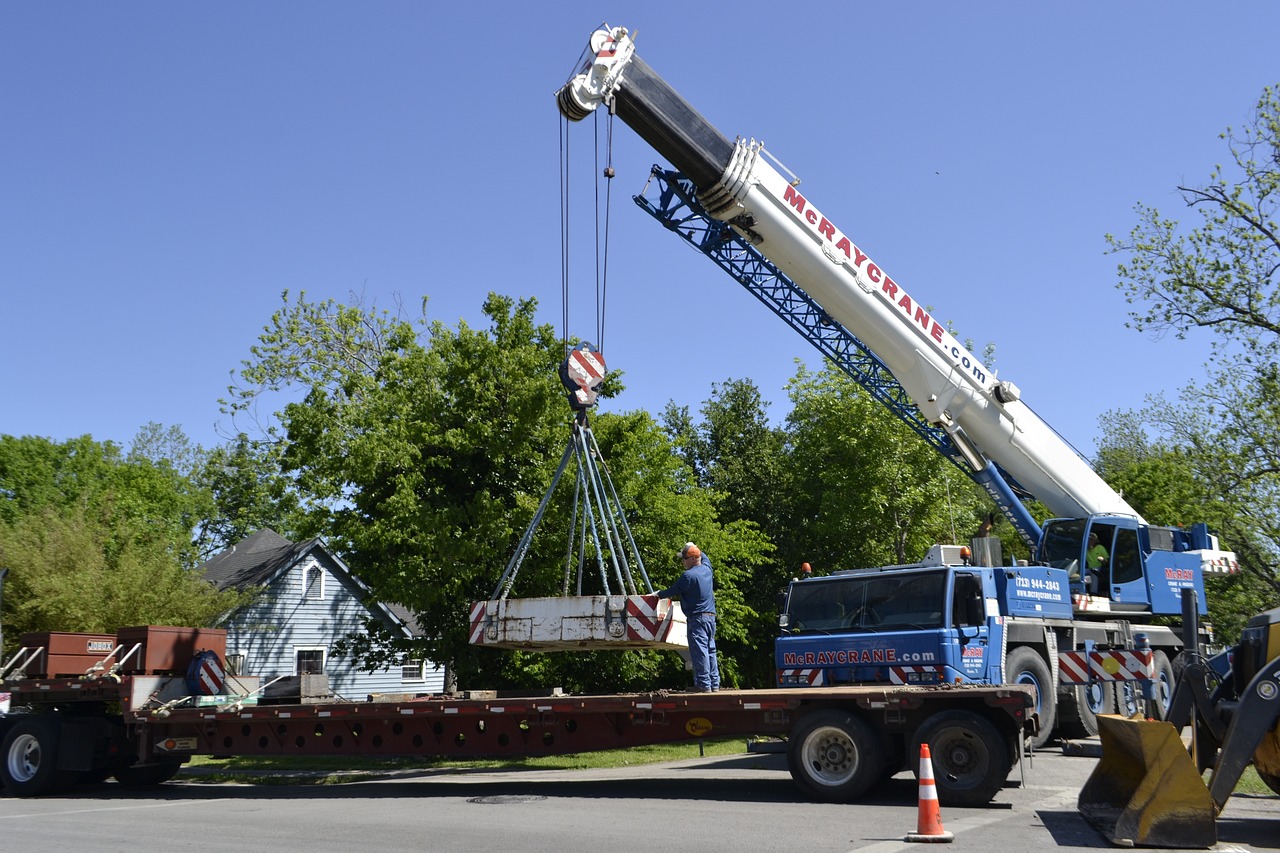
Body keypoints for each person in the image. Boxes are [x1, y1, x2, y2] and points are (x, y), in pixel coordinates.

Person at [657, 542, 720, 692]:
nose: (682, 562)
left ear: (692, 559)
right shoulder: (707, 569)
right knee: (710, 649)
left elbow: (672, 590)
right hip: (710, 617)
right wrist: (693, 545)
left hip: (697, 619)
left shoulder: (688, 576)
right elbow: (704, 556)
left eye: (684, 558)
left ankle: (703, 684)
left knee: (700, 650)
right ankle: (714, 684)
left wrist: (657, 595)